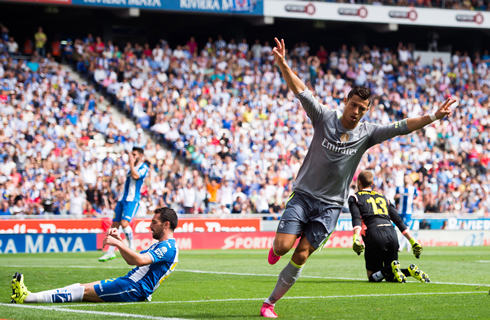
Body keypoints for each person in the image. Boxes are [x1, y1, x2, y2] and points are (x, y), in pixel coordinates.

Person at [260, 38, 456, 318]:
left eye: (362, 109)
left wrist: (434, 117)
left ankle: (269, 304)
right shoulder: (324, 117)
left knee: (301, 255)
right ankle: (280, 245)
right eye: (354, 105)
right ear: (346, 102)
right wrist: (282, 64)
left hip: (329, 207)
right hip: (303, 195)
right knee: (281, 246)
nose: (356, 112)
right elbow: (301, 90)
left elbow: (401, 127)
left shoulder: (367, 133)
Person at [10, 207, 178, 304]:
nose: (150, 226)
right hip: (129, 284)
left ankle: (27, 297)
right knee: (80, 286)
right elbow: (131, 261)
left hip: (133, 289)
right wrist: (118, 240)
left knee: (80, 291)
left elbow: (139, 260)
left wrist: (118, 243)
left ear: (166, 225)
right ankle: (27, 296)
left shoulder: (168, 247)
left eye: (154, 222)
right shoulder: (161, 245)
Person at [348, 170, 430, 284]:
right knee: (390, 277)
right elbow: (398, 220)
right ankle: (410, 271)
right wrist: (412, 241)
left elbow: (356, 218)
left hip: (374, 233)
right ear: (372, 184)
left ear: (359, 182)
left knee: (372, 277)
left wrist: (356, 238)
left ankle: (391, 267)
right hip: (391, 233)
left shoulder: (354, 197)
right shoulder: (383, 197)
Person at [99, 147, 149, 262]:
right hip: (122, 199)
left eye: (135, 154)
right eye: (132, 154)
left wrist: (131, 163)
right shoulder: (130, 168)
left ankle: (131, 245)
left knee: (124, 223)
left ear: (141, 156)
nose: (132, 156)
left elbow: (136, 176)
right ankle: (110, 252)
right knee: (114, 225)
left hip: (132, 200)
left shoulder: (143, 167)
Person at [395, 175, 419, 252]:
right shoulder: (399, 188)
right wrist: (396, 196)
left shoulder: (412, 188)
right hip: (400, 212)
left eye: (407, 178)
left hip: (408, 212)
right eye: (404, 178)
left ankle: (401, 247)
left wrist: (415, 201)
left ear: (409, 180)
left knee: (405, 229)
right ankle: (408, 246)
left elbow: (418, 197)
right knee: (404, 230)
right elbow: (394, 197)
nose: (406, 179)